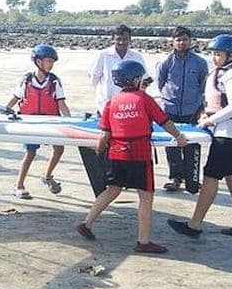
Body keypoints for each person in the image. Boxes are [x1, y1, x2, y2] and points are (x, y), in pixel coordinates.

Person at [76, 60, 188, 254]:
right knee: (145, 196)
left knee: (112, 190)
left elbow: (104, 136)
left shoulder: (111, 102)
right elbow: (164, 121)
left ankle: (86, 224)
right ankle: (143, 242)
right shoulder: (144, 99)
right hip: (140, 155)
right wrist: (179, 137)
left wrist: (99, 151)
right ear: (136, 79)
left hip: (116, 154)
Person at [168, 34, 232, 239]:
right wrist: (207, 114)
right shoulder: (229, 72)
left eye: (218, 54)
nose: (214, 58)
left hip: (230, 134)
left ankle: (195, 225)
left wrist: (211, 120)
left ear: (231, 55)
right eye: (214, 54)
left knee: (210, 177)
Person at [79, 24, 147, 197]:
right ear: (113, 39)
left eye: (125, 38)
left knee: (122, 144)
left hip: (129, 109)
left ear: (130, 39)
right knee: (104, 142)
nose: (122, 42)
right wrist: (103, 97)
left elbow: (144, 80)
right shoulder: (104, 55)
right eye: (118, 39)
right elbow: (93, 78)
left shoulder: (136, 56)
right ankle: (104, 181)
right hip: (106, 107)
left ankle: (121, 180)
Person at [5, 44, 71, 199]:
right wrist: (6, 111)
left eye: (52, 61)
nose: (51, 64)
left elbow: (61, 104)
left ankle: (47, 176)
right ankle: (19, 185)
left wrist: (70, 121)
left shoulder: (54, 82)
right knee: (30, 153)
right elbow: (15, 98)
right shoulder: (27, 80)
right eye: (49, 61)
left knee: (59, 149)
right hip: (31, 123)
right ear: (38, 61)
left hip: (50, 122)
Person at [156, 26, 209, 194]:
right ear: (172, 42)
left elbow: (203, 85)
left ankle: (192, 179)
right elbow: (160, 83)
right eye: (178, 40)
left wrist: (200, 106)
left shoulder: (200, 63)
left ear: (190, 41)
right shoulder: (165, 62)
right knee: (172, 145)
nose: (181, 42)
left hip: (192, 109)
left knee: (191, 144)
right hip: (170, 109)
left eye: (185, 39)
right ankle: (175, 177)